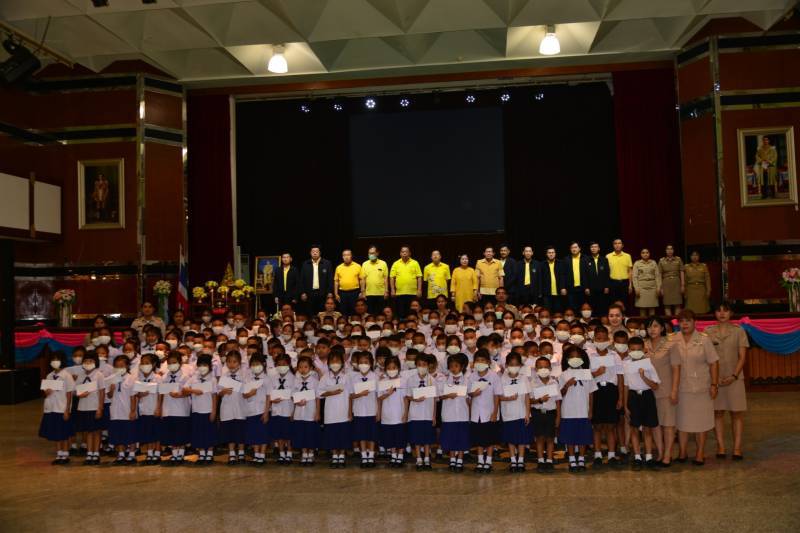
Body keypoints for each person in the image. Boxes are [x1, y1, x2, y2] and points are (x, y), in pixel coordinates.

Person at [671, 310, 719, 465]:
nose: (684, 324)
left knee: (701, 422)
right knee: (682, 422)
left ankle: (700, 453)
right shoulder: (673, 339)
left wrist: (714, 384)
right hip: (681, 388)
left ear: (694, 322)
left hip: (701, 387)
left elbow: (714, 363)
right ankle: (682, 452)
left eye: (688, 320)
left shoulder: (704, 339)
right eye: (681, 321)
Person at [706, 303, 749, 460]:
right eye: (719, 310)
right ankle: (721, 447)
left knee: (736, 413)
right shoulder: (708, 332)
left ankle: (737, 448)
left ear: (731, 313)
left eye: (726, 310)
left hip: (735, 378)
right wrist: (715, 378)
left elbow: (742, 357)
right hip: (715, 379)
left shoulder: (739, 331)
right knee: (718, 413)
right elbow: (706, 357)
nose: (722, 313)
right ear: (715, 313)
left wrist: (734, 376)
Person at [644, 316, 679, 467]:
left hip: (666, 390)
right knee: (655, 424)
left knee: (668, 424)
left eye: (656, 326)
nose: (652, 329)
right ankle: (660, 452)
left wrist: (674, 390)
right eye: (649, 326)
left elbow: (676, 369)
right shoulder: (643, 344)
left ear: (662, 328)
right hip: (647, 390)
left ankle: (667, 455)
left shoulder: (671, 344)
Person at [622, 336, 661, 469]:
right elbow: (626, 385)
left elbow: (656, 386)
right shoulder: (626, 364)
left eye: (639, 349)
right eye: (633, 349)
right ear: (628, 350)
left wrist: (643, 377)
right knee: (634, 428)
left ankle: (649, 457)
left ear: (644, 350)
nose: (636, 352)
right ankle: (637, 457)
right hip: (633, 396)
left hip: (647, 395)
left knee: (647, 428)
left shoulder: (648, 364)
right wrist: (625, 405)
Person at [559, 346, 597, 472]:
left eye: (577, 357)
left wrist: (590, 410)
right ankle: (571, 459)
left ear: (582, 358)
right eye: (572, 357)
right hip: (568, 411)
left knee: (582, 436)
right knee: (570, 436)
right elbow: (559, 394)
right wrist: (566, 385)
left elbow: (591, 393)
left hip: (583, 410)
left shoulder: (587, 374)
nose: (575, 359)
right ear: (567, 359)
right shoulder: (563, 374)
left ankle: (581, 458)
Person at [467, 349, 502, 473]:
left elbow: (497, 395)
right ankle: (480, 461)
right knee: (479, 438)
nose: (480, 362)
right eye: (477, 360)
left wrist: (495, 412)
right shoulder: (472, 376)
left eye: (482, 360)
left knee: (490, 438)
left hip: (489, 412)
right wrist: (473, 394)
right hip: (476, 412)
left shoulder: (494, 376)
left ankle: (489, 461)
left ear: (488, 362)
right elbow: (468, 394)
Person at [39, 351, 75, 465]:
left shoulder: (67, 375)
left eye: (57, 359)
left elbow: (69, 394)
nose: (55, 362)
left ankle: (65, 455)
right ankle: (59, 454)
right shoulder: (49, 375)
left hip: (61, 408)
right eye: (53, 359)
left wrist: (67, 410)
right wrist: (46, 391)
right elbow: (46, 392)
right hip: (51, 408)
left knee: (64, 433)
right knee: (56, 433)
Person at [319, 351, 352, 468]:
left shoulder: (347, 377)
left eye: (337, 361)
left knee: (343, 434)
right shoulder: (325, 377)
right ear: (328, 364)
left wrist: (350, 412)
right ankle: (334, 456)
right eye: (332, 361)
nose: (335, 363)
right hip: (330, 411)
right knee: (332, 434)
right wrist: (331, 392)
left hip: (343, 410)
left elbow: (350, 395)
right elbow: (319, 393)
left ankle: (341, 456)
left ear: (342, 363)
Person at [499, 352, 531, 472]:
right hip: (508, 414)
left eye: (516, 364)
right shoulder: (502, 379)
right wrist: (508, 398)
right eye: (511, 364)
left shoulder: (523, 378)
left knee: (522, 438)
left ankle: (521, 460)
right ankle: (513, 460)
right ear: (506, 365)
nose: (514, 367)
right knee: (511, 438)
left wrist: (527, 413)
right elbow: (498, 397)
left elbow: (527, 397)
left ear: (520, 366)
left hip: (521, 413)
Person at [405, 354, 437, 471]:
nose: (422, 367)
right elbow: (407, 396)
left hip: (428, 414)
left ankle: (427, 459)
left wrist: (434, 416)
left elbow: (435, 399)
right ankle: (419, 458)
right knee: (417, 438)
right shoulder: (411, 379)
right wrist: (415, 399)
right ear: (416, 365)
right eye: (419, 364)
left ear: (428, 366)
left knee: (427, 438)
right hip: (415, 414)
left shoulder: (432, 380)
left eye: (424, 365)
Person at [439, 354, 470, 472]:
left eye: (456, 366)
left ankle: (460, 460)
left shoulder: (467, 380)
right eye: (451, 366)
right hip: (449, 414)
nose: (453, 368)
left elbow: (469, 398)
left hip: (462, 414)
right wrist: (448, 395)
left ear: (461, 367)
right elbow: (439, 396)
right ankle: (452, 459)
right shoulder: (444, 380)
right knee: (450, 437)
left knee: (461, 438)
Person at [73, 351, 105, 465]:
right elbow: (75, 390)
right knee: (88, 431)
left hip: (94, 407)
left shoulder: (99, 375)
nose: (88, 363)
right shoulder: (81, 375)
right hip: (83, 407)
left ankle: (96, 453)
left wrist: (100, 408)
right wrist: (79, 395)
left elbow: (102, 392)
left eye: (90, 361)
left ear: (95, 362)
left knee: (96, 431)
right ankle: (89, 452)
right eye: (86, 361)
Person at [530, 356, 561, 472]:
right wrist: (539, 400)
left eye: (546, 367)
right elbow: (529, 400)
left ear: (550, 368)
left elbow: (558, 401)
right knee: (539, 438)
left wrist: (558, 417)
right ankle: (540, 461)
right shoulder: (532, 383)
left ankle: (549, 460)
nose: (543, 369)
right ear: (536, 369)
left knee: (550, 438)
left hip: (551, 413)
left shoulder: (554, 382)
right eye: (540, 367)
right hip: (537, 413)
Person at [159, 352, 191, 465]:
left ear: (180, 363)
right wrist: (160, 408)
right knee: (171, 433)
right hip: (168, 409)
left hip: (181, 409)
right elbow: (162, 393)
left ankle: (181, 454)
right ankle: (174, 454)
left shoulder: (185, 377)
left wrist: (180, 395)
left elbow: (188, 391)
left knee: (181, 433)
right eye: (169, 363)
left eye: (174, 362)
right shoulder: (164, 377)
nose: (171, 365)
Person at [186, 354, 218, 465]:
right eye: (200, 365)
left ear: (209, 366)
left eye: (204, 365)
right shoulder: (193, 378)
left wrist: (214, 411)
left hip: (208, 410)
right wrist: (194, 391)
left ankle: (209, 454)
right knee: (199, 433)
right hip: (196, 410)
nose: (202, 367)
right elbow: (184, 389)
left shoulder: (213, 379)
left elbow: (214, 396)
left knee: (209, 433)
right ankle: (201, 454)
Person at [218, 350, 248, 465]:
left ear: (239, 363)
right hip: (227, 408)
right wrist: (223, 391)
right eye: (229, 362)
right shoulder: (224, 376)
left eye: (234, 362)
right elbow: (218, 392)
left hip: (240, 407)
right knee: (230, 432)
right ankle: (231, 453)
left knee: (240, 432)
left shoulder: (244, 375)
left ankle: (241, 453)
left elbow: (247, 390)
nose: (232, 364)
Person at [107, 355, 137, 465]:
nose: (119, 368)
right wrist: (111, 389)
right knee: (118, 433)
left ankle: (132, 454)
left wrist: (133, 411)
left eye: (121, 366)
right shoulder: (112, 378)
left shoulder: (131, 378)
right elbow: (109, 396)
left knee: (130, 433)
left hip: (127, 410)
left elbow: (133, 396)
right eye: (116, 366)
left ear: (127, 366)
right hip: (115, 411)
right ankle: (121, 454)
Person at [377, 356, 407, 467]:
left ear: (398, 368)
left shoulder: (403, 381)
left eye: (394, 367)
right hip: (387, 415)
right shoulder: (383, 381)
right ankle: (393, 455)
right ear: (385, 369)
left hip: (399, 414)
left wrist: (405, 413)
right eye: (389, 368)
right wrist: (387, 393)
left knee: (400, 437)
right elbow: (379, 398)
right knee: (390, 437)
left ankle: (400, 456)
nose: (391, 370)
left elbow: (406, 398)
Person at [350, 351, 378, 467]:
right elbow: (350, 395)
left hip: (372, 410)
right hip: (359, 411)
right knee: (361, 434)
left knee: (371, 435)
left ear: (371, 363)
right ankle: (363, 456)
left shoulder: (375, 377)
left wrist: (378, 412)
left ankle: (371, 455)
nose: (363, 365)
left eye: (366, 362)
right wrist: (360, 394)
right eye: (361, 362)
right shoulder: (354, 378)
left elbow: (378, 395)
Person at [291, 356, 321, 466]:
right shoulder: (296, 381)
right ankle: (304, 454)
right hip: (299, 412)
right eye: (300, 367)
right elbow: (293, 396)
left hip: (311, 412)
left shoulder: (315, 381)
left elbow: (318, 398)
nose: (303, 369)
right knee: (301, 434)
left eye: (305, 367)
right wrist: (296, 404)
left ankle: (311, 454)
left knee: (310, 434)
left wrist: (317, 412)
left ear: (311, 368)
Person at [243, 354, 271, 465]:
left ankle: (262, 455)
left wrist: (266, 412)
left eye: (257, 364)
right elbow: (244, 394)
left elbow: (269, 396)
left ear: (263, 364)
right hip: (250, 410)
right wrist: (250, 393)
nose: (255, 366)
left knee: (263, 434)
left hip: (262, 410)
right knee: (254, 434)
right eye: (253, 364)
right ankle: (256, 455)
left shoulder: (267, 379)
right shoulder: (247, 378)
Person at [268, 353, 295, 465]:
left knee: (288, 435)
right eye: (279, 364)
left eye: (284, 364)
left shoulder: (294, 378)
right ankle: (281, 454)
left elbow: (295, 396)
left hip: (288, 410)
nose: (281, 366)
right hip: (276, 411)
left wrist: (294, 412)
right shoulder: (273, 378)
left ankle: (289, 453)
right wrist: (272, 400)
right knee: (279, 434)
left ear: (288, 365)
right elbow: (269, 394)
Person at [135, 353, 161, 465]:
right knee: (148, 432)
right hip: (144, 409)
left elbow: (161, 394)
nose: (144, 365)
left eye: (147, 363)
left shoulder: (157, 378)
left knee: (156, 432)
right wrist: (140, 394)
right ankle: (150, 453)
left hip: (154, 408)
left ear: (153, 364)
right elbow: (136, 394)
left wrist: (158, 408)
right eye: (142, 363)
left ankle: (157, 453)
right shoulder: (139, 378)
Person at [299, 245, 334, 316]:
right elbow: (301, 280)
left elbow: (330, 279)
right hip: (309, 294)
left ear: (320, 253)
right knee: (310, 314)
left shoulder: (327, 263)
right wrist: (302, 292)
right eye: (313, 252)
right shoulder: (305, 264)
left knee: (322, 314)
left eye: (316, 251)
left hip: (323, 294)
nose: (315, 253)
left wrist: (330, 292)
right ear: (310, 253)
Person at [389, 247, 422, 319]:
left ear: (409, 253)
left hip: (412, 293)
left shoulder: (415, 263)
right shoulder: (396, 263)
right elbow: (392, 277)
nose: (404, 253)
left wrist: (419, 290)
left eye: (406, 252)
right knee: (401, 313)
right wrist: (392, 290)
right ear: (400, 253)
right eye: (402, 252)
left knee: (412, 313)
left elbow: (419, 277)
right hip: (399, 293)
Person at [359, 245, 389, 315]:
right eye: (369, 253)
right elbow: (363, 279)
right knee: (370, 314)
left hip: (381, 294)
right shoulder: (365, 264)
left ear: (377, 253)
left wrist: (386, 291)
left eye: (373, 253)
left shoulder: (383, 263)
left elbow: (385, 279)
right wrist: (363, 292)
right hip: (369, 294)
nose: (371, 255)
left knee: (380, 314)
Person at [582, 241, 610, 315]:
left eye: (595, 247)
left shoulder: (604, 259)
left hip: (602, 288)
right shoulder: (586, 260)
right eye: (592, 247)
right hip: (591, 289)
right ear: (590, 249)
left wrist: (607, 286)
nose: (593, 248)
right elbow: (584, 275)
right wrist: (586, 287)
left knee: (602, 307)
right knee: (592, 307)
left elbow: (607, 274)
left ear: (599, 248)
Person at [632, 248, 661, 317]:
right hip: (641, 288)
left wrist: (658, 287)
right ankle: (643, 323)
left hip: (652, 287)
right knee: (642, 308)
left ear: (649, 254)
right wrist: (636, 288)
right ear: (641, 254)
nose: (645, 254)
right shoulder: (637, 263)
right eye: (643, 253)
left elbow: (657, 276)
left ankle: (652, 323)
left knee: (652, 308)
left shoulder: (653, 263)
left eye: (647, 252)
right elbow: (634, 277)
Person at [334, 249, 362, 318]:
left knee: (354, 311)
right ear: (342, 257)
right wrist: (336, 294)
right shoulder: (339, 267)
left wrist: (362, 292)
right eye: (344, 255)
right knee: (343, 311)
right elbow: (336, 281)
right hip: (342, 293)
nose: (346, 257)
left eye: (348, 255)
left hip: (354, 292)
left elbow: (361, 280)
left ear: (351, 256)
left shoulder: (358, 266)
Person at [658, 245, 684, 316]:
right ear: (665, 251)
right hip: (666, 283)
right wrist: (661, 287)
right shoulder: (661, 260)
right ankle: (669, 321)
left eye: (671, 249)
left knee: (677, 303)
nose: (669, 251)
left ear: (673, 250)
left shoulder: (678, 259)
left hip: (676, 283)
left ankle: (676, 322)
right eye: (668, 249)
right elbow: (659, 274)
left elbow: (681, 272)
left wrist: (682, 285)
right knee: (667, 304)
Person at [606, 238, 633, 307]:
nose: (617, 245)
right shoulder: (608, 256)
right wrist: (607, 286)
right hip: (612, 283)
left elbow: (630, 271)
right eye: (615, 243)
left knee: (624, 303)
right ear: (613, 245)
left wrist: (630, 285)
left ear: (622, 245)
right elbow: (606, 272)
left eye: (619, 243)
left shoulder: (627, 256)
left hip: (624, 283)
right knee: (613, 304)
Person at [541, 246, 567, 313]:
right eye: (549, 253)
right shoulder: (542, 264)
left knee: (558, 313)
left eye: (552, 252)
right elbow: (540, 279)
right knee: (547, 312)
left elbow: (563, 276)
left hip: (559, 293)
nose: (551, 254)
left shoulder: (561, 263)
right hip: (546, 294)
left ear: (555, 254)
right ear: (546, 254)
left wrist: (563, 287)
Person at [564, 241, 586, 310]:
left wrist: (587, 287)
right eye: (572, 248)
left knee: (583, 309)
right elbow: (563, 274)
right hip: (571, 289)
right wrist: (564, 287)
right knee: (572, 308)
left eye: (575, 247)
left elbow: (589, 274)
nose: (574, 249)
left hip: (583, 288)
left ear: (579, 248)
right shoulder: (566, 259)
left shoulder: (585, 258)